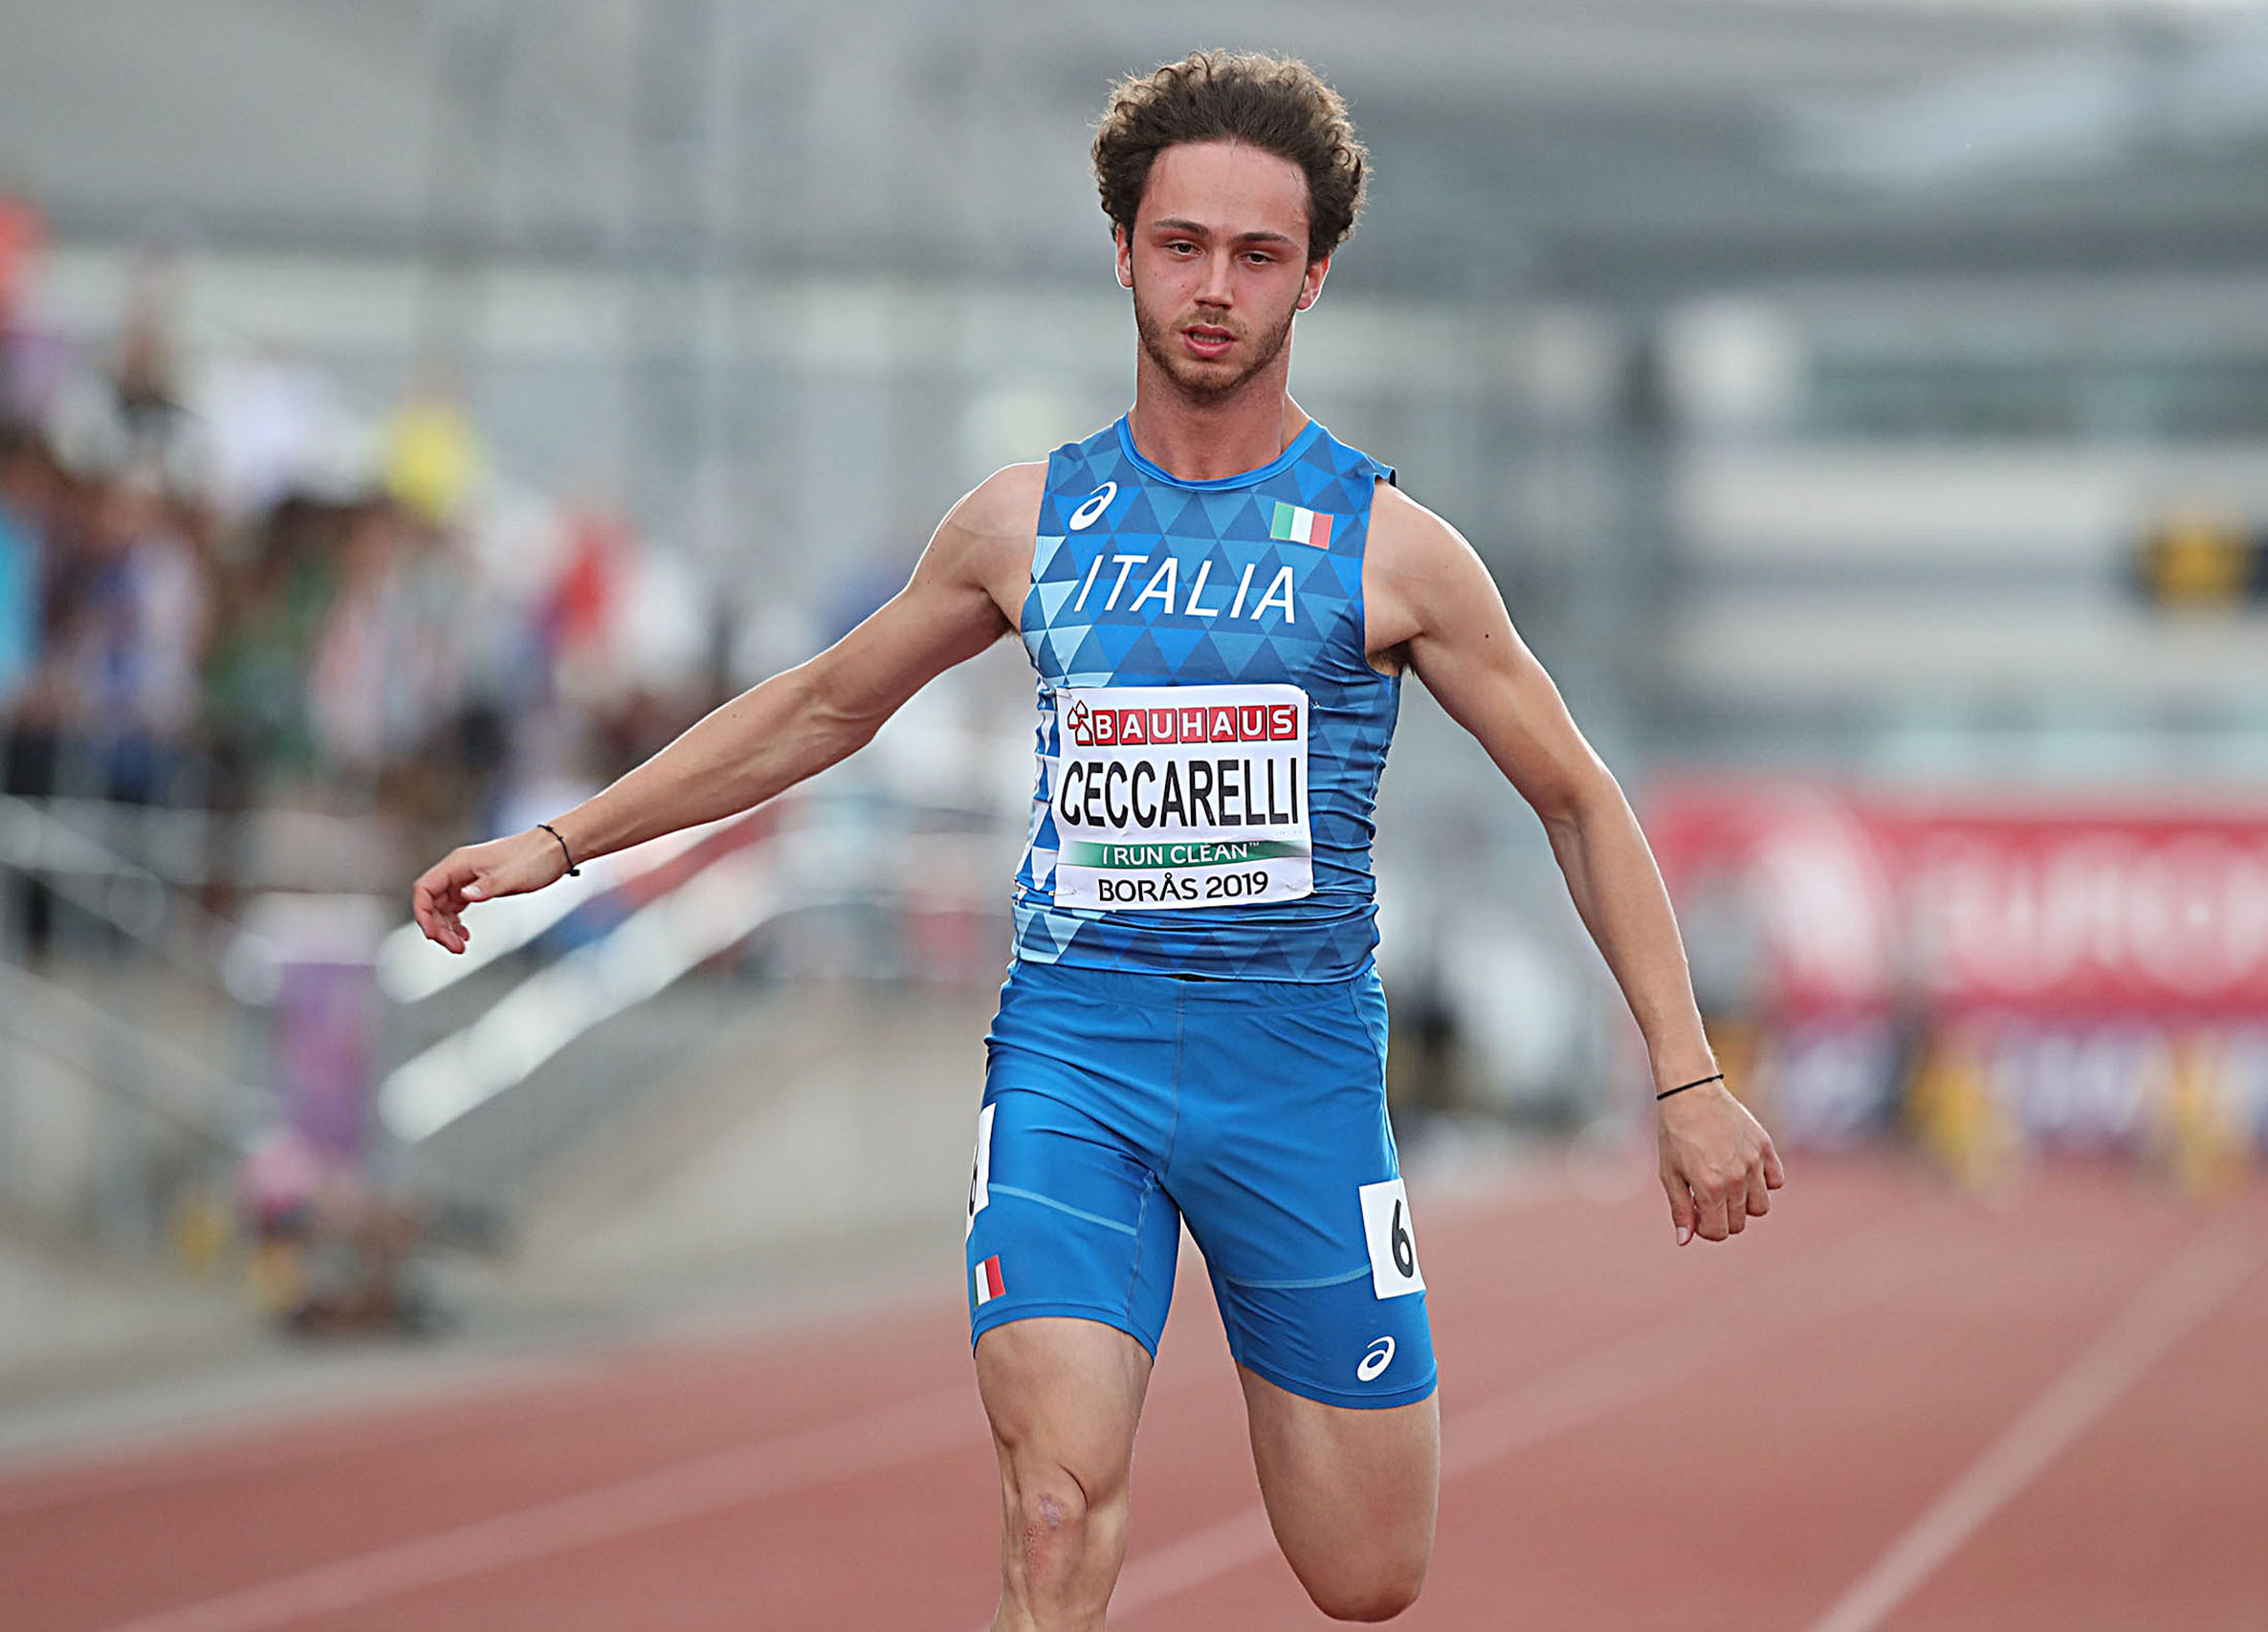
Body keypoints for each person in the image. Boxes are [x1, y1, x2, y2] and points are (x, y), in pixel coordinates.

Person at [412, 50, 1782, 1629]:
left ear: (1313, 277)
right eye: (1182, 244)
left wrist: (1684, 1073)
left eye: (1257, 255)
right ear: (1124, 248)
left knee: (1367, 1570)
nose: (1215, 288)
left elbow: (1577, 795)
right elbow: (822, 705)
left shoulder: (1393, 549)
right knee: (1054, 1502)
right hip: (1077, 1058)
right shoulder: (1025, 522)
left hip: (1299, 1077)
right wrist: (565, 841)